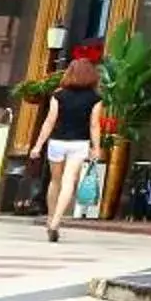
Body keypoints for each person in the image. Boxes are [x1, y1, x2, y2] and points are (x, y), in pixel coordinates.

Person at [30, 58, 102, 242]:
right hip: (79, 143)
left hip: (57, 142)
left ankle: (50, 218)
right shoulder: (95, 98)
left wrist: (38, 145)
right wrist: (97, 147)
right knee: (69, 181)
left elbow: (50, 121)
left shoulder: (59, 95)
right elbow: (94, 125)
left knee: (55, 181)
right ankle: (56, 221)